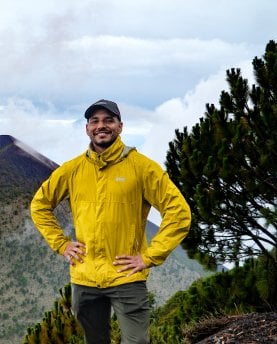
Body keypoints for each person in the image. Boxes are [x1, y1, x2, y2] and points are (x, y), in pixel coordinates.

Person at [30, 99, 191, 344]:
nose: (101, 126)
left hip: (127, 276)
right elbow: (40, 205)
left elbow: (179, 212)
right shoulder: (72, 169)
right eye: (94, 121)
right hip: (85, 277)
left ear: (120, 126)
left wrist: (149, 257)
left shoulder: (142, 167)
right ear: (87, 129)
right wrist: (62, 244)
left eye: (108, 120)